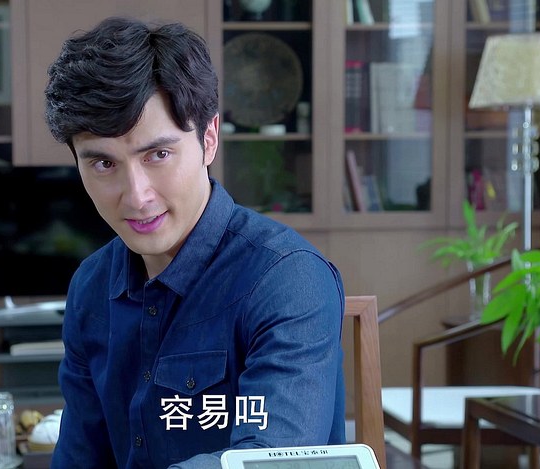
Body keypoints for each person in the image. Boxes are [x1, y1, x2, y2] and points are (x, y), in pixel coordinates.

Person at [44, 16, 346, 469]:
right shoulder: (91, 286)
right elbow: (79, 458)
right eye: (103, 164)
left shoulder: (286, 278)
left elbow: (267, 462)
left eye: (158, 154)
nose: (136, 196)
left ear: (209, 139)